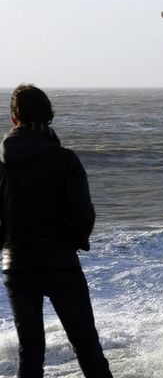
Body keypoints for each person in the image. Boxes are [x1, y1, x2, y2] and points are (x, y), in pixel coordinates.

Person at [0, 84, 113, 378]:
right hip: (60, 263)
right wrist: (72, 242)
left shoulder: (2, 163)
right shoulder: (64, 160)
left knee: (31, 353)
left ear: (14, 119)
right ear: (49, 116)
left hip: (17, 267)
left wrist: (7, 247)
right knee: (87, 346)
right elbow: (83, 214)